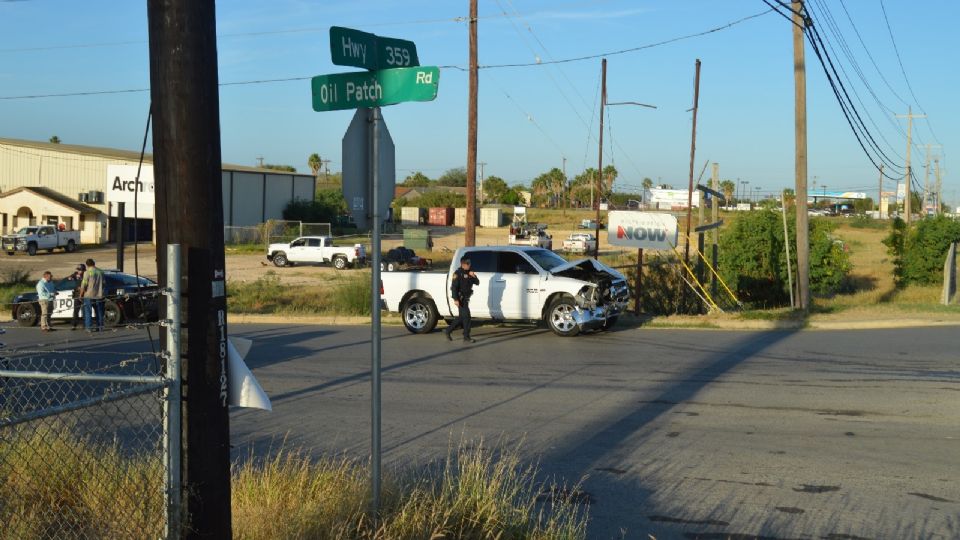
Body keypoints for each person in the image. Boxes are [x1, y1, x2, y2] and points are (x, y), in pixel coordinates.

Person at [444, 257, 480, 344]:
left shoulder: (469, 272)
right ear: (463, 264)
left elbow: (477, 282)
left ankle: (448, 330)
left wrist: (473, 276)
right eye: (468, 264)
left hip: (466, 299)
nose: (469, 265)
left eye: (470, 264)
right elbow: (454, 288)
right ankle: (466, 336)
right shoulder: (458, 273)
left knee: (461, 318)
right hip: (460, 299)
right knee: (467, 317)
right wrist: (455, 299)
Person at [80, 258, 105, 332]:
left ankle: (89, 328)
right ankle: (100, 327)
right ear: (94, 263)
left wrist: (81, 294)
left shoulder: (87, 272)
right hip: (99, 294)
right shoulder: (101, 272)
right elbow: (104, 283)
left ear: (87, 265)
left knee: (88, 311)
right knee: (99, 311)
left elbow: (84, 284)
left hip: (89, 295)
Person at [69, 263, 85, 330]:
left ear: (83, 270)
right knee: (76, 310)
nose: (78, 271)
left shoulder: (86, 274)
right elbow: (70, 277)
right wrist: (71, 278)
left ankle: (85, 324)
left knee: (84, 310)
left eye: (80, 270)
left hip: (84, 294)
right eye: (78, 270)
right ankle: (74, 325)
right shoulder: (76, 274)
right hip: (76, 294)